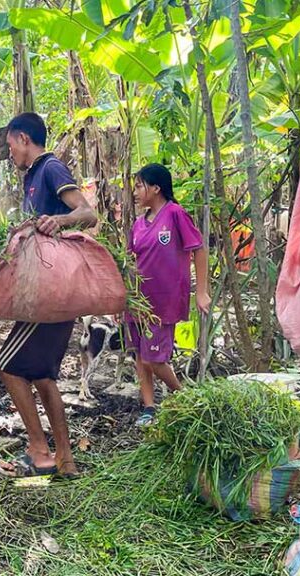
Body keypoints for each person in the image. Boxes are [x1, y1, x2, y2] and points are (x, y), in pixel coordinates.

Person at [0, 113, 98, 479]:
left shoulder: (50, 168)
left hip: (49, 294)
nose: (11, 154)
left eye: (10, 146)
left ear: (23, 138)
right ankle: (65, 460)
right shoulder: (33, 179)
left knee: (6, 365)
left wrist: (61, 221)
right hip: (50, 291)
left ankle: (39, 450)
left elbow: (87, 213)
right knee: (42, 375)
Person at [127, 163, 211, 427]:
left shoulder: (175, 214)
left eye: (140, 185)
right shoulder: (139, 224)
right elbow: (130, 259)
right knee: (140, 355)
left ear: (156, 188)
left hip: (163, 301)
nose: (136, 192)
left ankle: (183, 395)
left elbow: (199, 249)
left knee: (154, 358)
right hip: (137, 300)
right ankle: (149, 407)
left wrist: (202, 291)